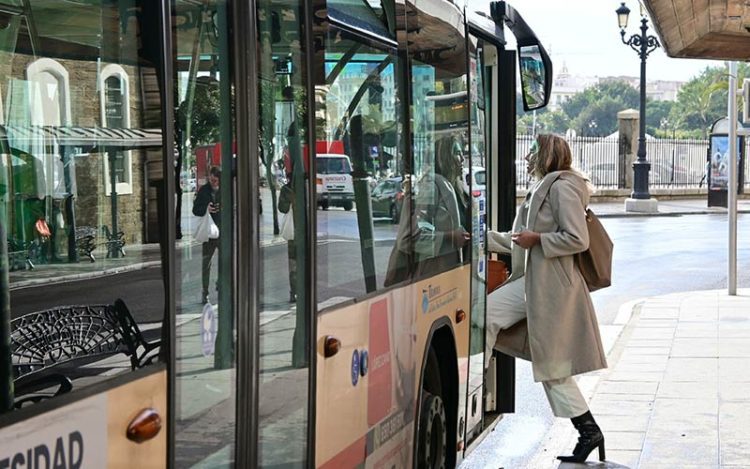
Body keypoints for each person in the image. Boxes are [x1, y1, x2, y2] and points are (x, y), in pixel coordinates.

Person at [485, 134, 608, 463]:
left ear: (546, 156)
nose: (527, 158)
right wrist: (481, 240)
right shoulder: (544, 186)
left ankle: (588, 431)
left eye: (532, 153)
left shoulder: (562, 187)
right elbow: (518, 240)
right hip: (531, 283)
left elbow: (577, 239)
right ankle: (589, 431)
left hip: (550, 289)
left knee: (551, 366)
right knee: (488, 319)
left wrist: (537, 238)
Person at [193, 165, 221, 304]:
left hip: (223, 232)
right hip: (209, 232)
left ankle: (220, 284)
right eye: (211, 179)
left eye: (215, 180)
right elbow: (195, 210)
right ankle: (205, 292)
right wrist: (206, 209)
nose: (213, 182)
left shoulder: (225, 190)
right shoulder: (204, 191)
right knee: (206, 263)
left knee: (226, 262)